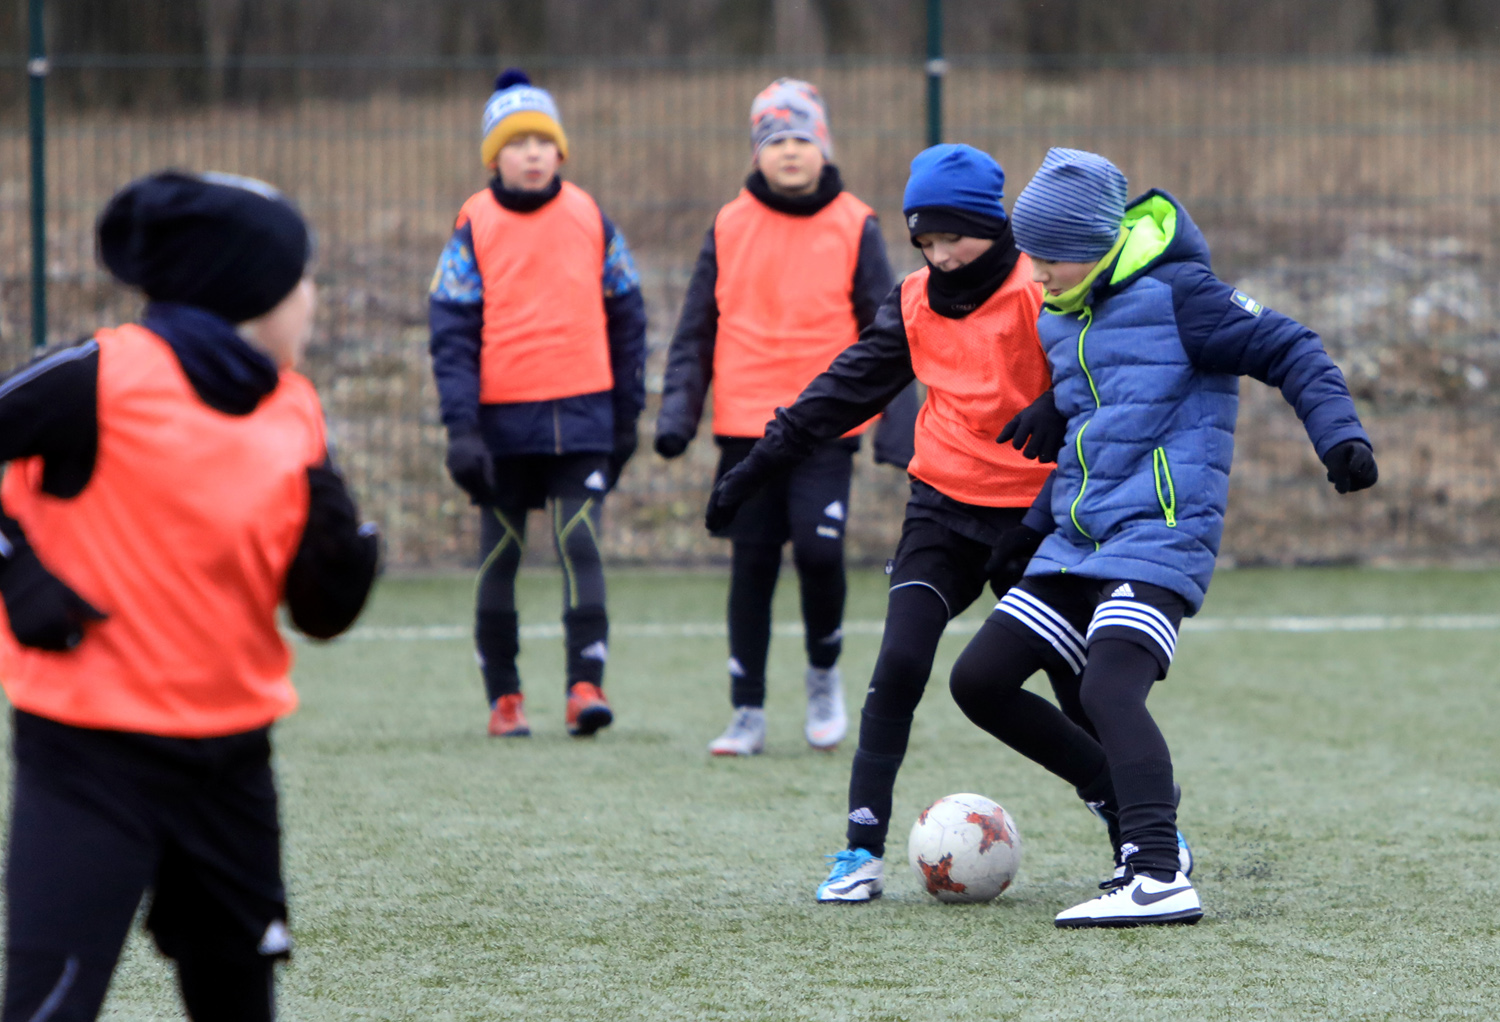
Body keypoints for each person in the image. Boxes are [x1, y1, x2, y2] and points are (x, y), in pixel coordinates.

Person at [946, 147, 1378, 928]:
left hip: (1161, 533)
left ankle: (1156, 873)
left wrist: (1339, 436)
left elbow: (1293, 348)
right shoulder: (1064, 313)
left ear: (1093, 245)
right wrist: (1031, 527)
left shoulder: (1183, 296)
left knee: (1109, 688)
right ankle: (1122, 797)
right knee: (979, 681)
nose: (1034, 272)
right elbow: (1094, 435)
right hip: (1079, 540)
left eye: (1047, 257)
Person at [0, 171, 379, 1021]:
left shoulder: (294, 406)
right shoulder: (100, 377)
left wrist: (347, 566)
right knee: (49, 1005)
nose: (313, 300)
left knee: (239, 1003)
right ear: (247, 291)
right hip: (88, 757)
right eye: (301, 280)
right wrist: (16, 570)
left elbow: (318, 609)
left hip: (231, 761)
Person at [702, 144, 1064, 900]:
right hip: (942, 508)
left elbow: (1103, 375)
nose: (939, 255)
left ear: (991, 224)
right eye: (924, 240)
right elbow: (841, 391)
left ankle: (1142, 831)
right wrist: (754, 469)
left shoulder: (1043, 286)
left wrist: (1057, 404)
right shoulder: (914, 300)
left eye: (952, 237)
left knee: (1076, 680)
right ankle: (858, 852)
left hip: (1036, 519)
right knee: (898, 663)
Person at [656, 78, 916, 756]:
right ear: (756, 152)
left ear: (824, 145)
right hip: (746, 425)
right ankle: (746, 708)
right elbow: (696, 328)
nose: (790, 151)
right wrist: (679, 412)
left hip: (825, 424)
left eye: (802, 137)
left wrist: (898, 427)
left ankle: (823, 676)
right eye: (775, 140)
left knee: (820, 551)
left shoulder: (855, 222)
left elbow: (891, 332)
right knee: (752, 563)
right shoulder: (729, 223)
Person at [429, 68, 647, 738]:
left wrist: (627, 415)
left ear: (561, 151)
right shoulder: (474, 224)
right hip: (501, 426)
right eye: (516, 142)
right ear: (494, 157)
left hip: (584, 418)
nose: (531, 153)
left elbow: (628, 316)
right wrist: (462, 429)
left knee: (580, 542)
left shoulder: (590, 216)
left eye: (542, 141)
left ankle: (585, 687)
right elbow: (451, 333)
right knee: (501, 554)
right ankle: (505, 698)